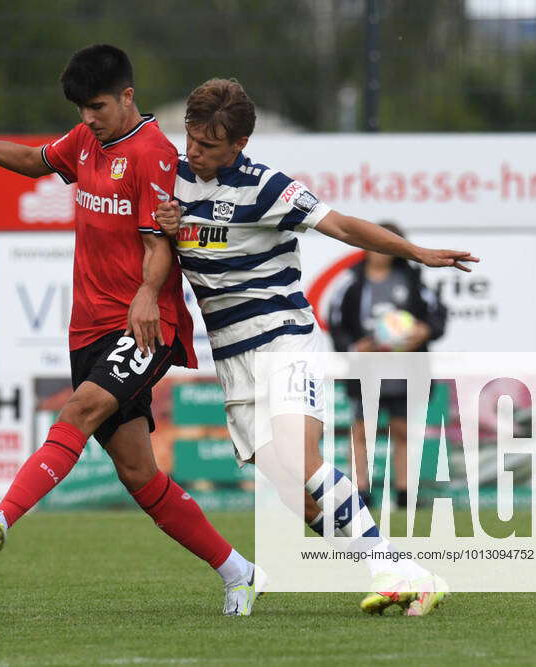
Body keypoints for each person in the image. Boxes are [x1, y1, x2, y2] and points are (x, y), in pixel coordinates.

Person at [0, 47, 261, 616]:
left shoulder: (153, 154)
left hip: (144, 327)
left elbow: (159, 240)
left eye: (96, 107)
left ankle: (0, 518)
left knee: (77, 412)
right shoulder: (88, 139)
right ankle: (240, 571)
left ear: (127, 97)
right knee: (140, 475)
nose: (88, 119)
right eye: (81, 110)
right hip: (87, 329)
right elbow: (36, 161)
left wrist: (146, 295)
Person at [154, 78, 478, 616]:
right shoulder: (173, 181)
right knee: (297, 497)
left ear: (239, 145)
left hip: (284, 341)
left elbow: (344, 225)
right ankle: (410, 573)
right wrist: (166, 226)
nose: (194, 153)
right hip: (233, 359)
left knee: (305, 463)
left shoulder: (267, 187)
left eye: (207, 146)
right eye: (189, 139)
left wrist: (416, 252)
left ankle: (390, 569)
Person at [327, 222, 448, 511]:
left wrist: (424, 331)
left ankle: (405, 495)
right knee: (361, 430)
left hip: (405, 369)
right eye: (375, 242)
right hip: (366, 369)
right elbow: (336, 322)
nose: (380, 249)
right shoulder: (351, 282)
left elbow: (437, 316)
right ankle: (361, 494)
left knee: (402, 429)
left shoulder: (412, 281)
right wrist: (356, 348)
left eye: (388, 243)